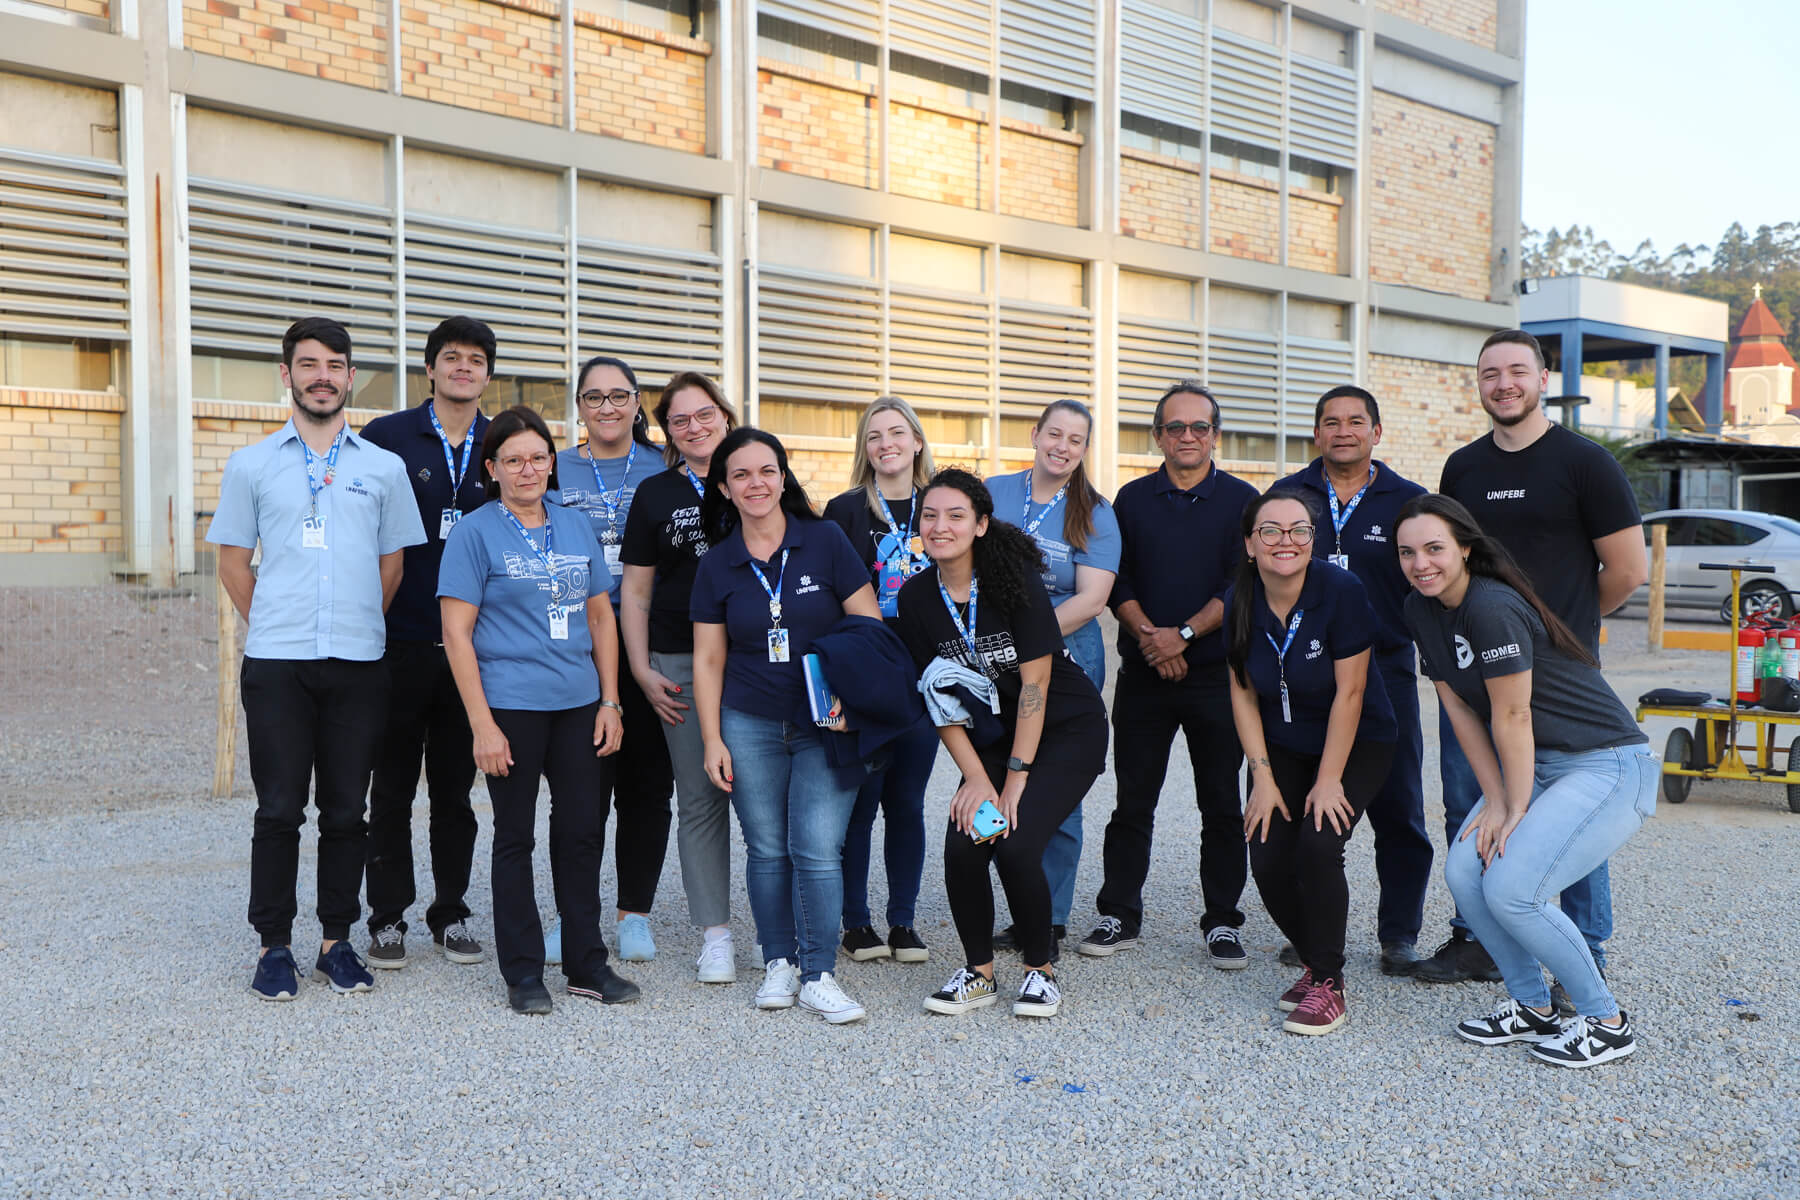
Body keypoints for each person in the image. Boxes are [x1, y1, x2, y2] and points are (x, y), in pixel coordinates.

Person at [1421, 329, 1647, 1002]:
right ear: (1479, 384)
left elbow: (1629, 570)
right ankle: (1480, 940)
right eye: (1490, 373)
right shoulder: (1463, 469)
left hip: (1557, 681)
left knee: (1566, 813)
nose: (1504, 384)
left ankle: (1586, 950)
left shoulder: (1585, 463)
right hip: (1472, 669)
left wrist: (1558, 636)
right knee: (1470, 799)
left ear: (1543, 379)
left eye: (1517, 371)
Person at [209, 317, 426, 1001]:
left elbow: (393, 566)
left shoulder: (382, 468)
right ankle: (273, 945)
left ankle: (337, 941)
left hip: (360, 662)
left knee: (345, 810)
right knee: (277, 809)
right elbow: (233, 561)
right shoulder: (251, 464)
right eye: (309, 364)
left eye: (335, 364)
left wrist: (355, 623)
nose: (323, 376)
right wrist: (277, 619)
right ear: (287, 375)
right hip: (277, 662)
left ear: (351, 376)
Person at [1397, 494, 1653, 1068]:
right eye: (1408, 552)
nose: (1421, 563)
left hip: (1606, 763)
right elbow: (1461, 710)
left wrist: (1513, 809)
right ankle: (1532, 1005)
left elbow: (1513, 715)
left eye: (1434, 548)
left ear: (1464, 548)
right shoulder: (1419, 609)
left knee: (1514, 887)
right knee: (1466, 871)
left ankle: (1605, 1020)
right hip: (1536, 764)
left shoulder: (1491, 607)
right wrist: (1494, 800)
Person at [438, 405, 638, 1016]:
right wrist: (482, 725)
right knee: (515, 839)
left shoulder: (574, 526)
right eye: (514, 460)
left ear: (553, 463)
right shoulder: (475, 532)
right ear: (492, 468)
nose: (528, 469)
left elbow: (601, 616)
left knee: (580, 837)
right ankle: (523, 973)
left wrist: (611, 700)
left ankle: (587, 964)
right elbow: (456, 633)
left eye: (539, 457)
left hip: (580, 705)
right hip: (512, 711)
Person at [896, 469, 1108, 1019]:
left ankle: (1040, 971)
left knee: (1015, 843)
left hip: (1064, 730)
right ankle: (980, 973)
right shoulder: (918, 597)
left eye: (956, 515)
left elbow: (1035, 685)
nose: (940, 526)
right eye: (930, 515)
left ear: (982, 524)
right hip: (991, 740)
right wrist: (977, 778)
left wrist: (1014, 780)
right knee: (966, 841)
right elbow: (938, 695)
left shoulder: (1013, 579)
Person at [690, 427, 884, 1023]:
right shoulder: (717, 563)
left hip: (826, 720)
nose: (756, 483)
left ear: (783, 476)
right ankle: (779, 960)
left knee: (818, 848)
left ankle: (820, 972)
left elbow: (869, 624)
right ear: (724, 487)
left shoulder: (824, 540)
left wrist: (853, 699)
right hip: (748, 721)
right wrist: (712, 738)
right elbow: (708, 659)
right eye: (742, 474)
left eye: (767, 471)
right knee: (769, 848)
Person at [1080, 380, 1258, 967]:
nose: (1187, 436)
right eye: (1175, 427)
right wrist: (1153, 640)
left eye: (1199, 427)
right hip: (1144, 677)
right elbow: (1116, 580)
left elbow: (1241, 587)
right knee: (1133, 800)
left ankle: (1223, 921)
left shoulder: (1243, 502)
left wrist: (1180, 635)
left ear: (1216, 435)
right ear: (1158, 435)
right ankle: (1118, 914)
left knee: (1221, 806)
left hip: (1216, 678)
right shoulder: (1129, 501)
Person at [1225, 488, 1396, 1036]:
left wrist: (1327, 782)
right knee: (1268, 850)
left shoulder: (1340, 590)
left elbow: (1351, 693)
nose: (1285, 541)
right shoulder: (1239, 596)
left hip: (1357, 740)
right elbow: (1243, 691)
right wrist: (1263, 777)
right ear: (1250, 543)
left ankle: (1328, 980)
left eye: (1299, 530)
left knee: (1320, 842)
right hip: (1282, 744)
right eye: (1270, 530)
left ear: (1313, 540)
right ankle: (1311, 957)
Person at [1274, 385, 1431, 977]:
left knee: (1399, 808)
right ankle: (1311, 927)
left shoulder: (1409, 502)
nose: (1343, 431)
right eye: (1331, 422)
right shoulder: (1288, 497)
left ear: (1376, 432)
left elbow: (1430, 579)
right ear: (1316, 433)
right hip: (1305, 671)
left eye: (1356, 421)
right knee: (1305, 801)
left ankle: (1399, 934)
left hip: (1386, 669)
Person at [358, 316, 494, 971]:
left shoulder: (506, 444)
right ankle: (385, 918)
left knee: (453, 792)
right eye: (451, 358)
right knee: (389, 791)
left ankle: (451, 911)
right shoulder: (385, 438)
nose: (463, 367)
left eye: (475, 359)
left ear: (487, 373)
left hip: (473, 650)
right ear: (431, 369)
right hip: (399, 643)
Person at [983, 399, 1121, 958]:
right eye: (1054, 435)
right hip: (992, 656)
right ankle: (1018, 906)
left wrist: (1025, 639)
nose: (1062, 447)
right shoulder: (995, 491)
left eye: (1076, 440)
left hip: (1066, 654)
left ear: (1086, 449)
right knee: (1000, 772)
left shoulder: (1096, 512)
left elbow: (1092, 597)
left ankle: (1053, 915)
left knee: (1058, 788)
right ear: (1035, 435)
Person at [549, 355, 674, 965]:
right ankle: (574, 915)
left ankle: (634, 915)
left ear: (636, 403)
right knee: (581, 790)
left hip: (648, 644)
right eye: (593, 397)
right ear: (578, 407)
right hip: (576, 643)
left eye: (618, 396)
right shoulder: (554, 467)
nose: (606, 408)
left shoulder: (663, 466)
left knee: (647, 787)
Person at [618, 372, 741, 985]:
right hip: (677, 660)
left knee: (772, 800)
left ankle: (786, 932)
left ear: (724, 413)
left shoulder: (758, 470)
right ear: (667, 431)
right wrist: (639, 667)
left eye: (704, 414)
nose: (694, 427)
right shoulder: (656, 492)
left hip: (754, 660)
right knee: (699, 798)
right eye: (680, 420)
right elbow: (636, 588)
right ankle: (714, 934)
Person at [822, 396, 938, 965]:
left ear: (917, 441)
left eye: (896, 433)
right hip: (866, 674)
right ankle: (856, 922)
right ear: (864, 450)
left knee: (908, 803)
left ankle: (904, 921)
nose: (886, 444)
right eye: (874, 436)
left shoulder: (941, 505)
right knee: (861, 804)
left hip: (924, 676)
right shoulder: (844, 511)